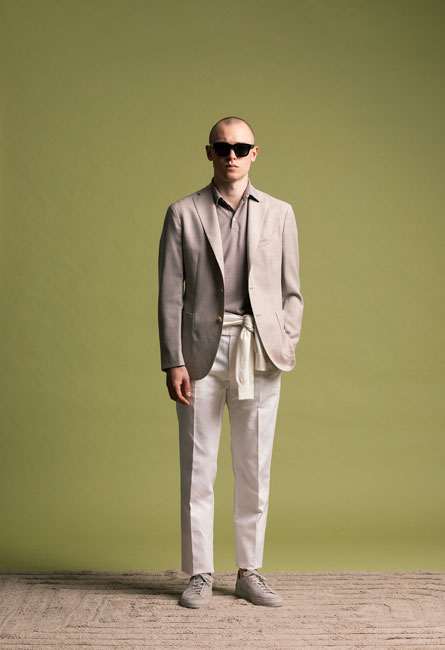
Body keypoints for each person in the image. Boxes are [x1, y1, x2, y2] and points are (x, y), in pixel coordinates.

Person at [157, 116, 303, 608]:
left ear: (255, 152)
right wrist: (173, 360)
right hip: (199, 352)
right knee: (198, 466)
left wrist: (284, 342)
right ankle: (200, 572)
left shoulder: (280, 213)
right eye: (223, 148)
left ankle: (248, 571)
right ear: (210, 153)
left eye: (241, 147)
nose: (232, 156)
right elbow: (169, 295)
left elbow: (292, 291)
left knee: (254, 465)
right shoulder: (183, 213)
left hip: (259, 350)